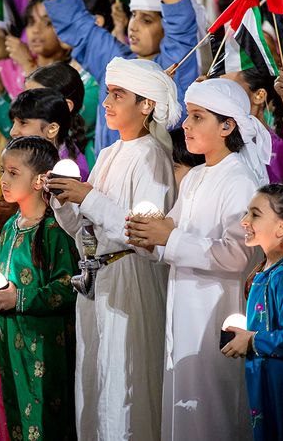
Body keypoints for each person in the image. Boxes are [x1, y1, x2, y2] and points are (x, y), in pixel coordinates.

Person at [125, 78, 271, 440]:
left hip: (216, 310)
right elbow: (173, 230)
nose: (185, 126)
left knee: (212, 410)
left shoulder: (239, 179)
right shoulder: (196, 177)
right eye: (188, 116)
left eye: (197, 117)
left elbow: (238, 254)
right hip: (184, 305)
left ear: (227, 125)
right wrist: (148, 237)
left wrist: (168, 237)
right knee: (182, 405)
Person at [47, 57, 179, 440]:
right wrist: (62, 200)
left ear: (146, 105)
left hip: (130, 278)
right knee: (93, 378)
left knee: (126, 379)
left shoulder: (152, 157)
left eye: (118, 95)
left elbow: (141, 231)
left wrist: (86, 198)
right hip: (97, 278)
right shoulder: (107, 154)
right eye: (107, 93)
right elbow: (82, 230)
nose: (106, 102)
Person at [42, 0, 199, 153]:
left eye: (147, 20)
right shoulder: (116, 61)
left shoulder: (174, 68)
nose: (133, 26)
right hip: (102, 185)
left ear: (166, 27)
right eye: (133, 15)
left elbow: (181, 14)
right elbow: (70, 19)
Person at [0, 136, 79, 441]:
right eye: (3, 171)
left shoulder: (53, 228)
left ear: (40, 181)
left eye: (13, 173)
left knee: (45, 418)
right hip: (10, 340)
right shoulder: (10, 226)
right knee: (17, 414)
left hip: (44, 344)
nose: (3, 180)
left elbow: (67, 286)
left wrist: (18, 298)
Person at [222, 183, 283, 441]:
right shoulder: (265, 272)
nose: (245, 221)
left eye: (255, 214)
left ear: (282, 227)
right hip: (265, 385)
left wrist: (253, 340)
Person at [3, 87, 89, 181]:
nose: (12, 132)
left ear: (52, 129)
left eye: (23, 123)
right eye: (13, 122)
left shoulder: (69, 173)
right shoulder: (33, 156)